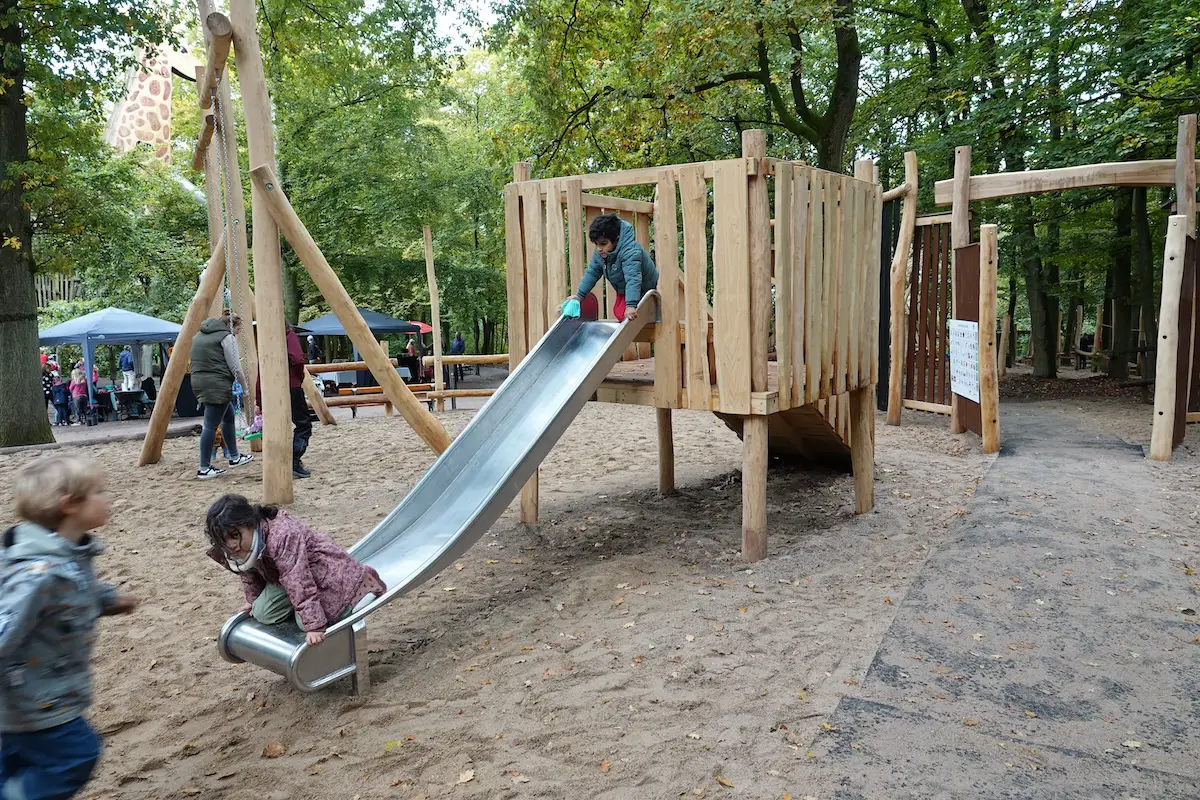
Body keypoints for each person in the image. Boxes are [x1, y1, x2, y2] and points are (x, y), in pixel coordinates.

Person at [0, 455, 138, 800]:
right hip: (34, 699)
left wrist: (106, 599)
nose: (109, 498)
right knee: (77, 754)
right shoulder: (40, 575)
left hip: (35, 695)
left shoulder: (68, 554)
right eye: (100, 492)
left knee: (16, 758)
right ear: (70, 505)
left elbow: (76, 589)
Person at [203, 495, 386, 646]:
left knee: (311, 620)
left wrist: (314, 626)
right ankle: (300, 607)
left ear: (250, 523)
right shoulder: (243, 545)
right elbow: (249, 573)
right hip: (284, 578)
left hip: (322, 570)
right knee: (262, 612)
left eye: (235, 535)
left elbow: (299, 580)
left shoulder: (282, 535)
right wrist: (253, 600)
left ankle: (363, 579)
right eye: (224, 540)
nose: (232, 545)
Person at [190, 312, 254, 479]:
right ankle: (204, 467)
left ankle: (234, 456)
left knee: (228, 416)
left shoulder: (199, 336)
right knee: (210, 425)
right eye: (238, 329)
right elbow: (235, 367)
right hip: (217, 384)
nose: (238, 333)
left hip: (199, 381)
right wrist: (245, 388)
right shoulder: (226, 338)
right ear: (231, 326)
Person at [567, 213, 659, 322]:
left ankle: (646, 310)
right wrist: (579, 296)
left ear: (616, 239)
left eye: (603, 244)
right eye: (596, 244)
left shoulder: (630, 251)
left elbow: (633, 279)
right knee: (619, 312)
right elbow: (592, 272)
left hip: (643, 288)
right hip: (623, 287)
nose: (599, 249)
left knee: (626, 315)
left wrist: (631, 305)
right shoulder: (601, 253)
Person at [252, 324, 312, 478]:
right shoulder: (288, 335)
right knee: (303, 424)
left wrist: (259, 400)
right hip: (290, 385)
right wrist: (299, 377)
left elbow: (260, 373)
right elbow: (298, 359)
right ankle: (293, 460)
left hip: (270, 389)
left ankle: (277, 461)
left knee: (274, 426)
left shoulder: (266, 341)